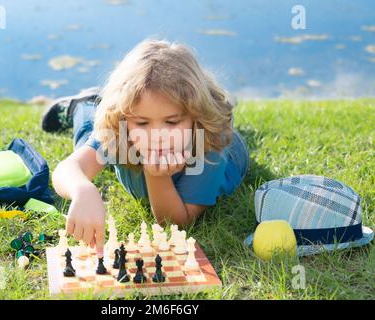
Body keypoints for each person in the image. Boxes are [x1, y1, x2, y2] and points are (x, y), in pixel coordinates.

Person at [42, 38, 249, 256]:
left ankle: (217, 102)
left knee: (218, 117)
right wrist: (82, 189)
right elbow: (68, 169)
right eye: (142, 123)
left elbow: (175, 223)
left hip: (229, 150)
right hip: (126, 137)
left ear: (195, 118)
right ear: (123, 119)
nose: (157, 136)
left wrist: (156, 175)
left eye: (172, 122)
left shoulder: (210, 146)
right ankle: (83, 104)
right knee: (88, 136)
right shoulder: (119, 131)